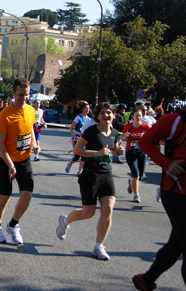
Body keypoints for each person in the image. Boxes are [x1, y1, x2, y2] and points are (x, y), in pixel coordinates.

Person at [132, 77, 186, 291]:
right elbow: (144, 141)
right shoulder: (175, 119)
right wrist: (166, 163)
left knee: (176, 245)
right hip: (176, 190)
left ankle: (145, 280)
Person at [56, 102, 124, 260]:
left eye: (109, 113)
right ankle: (65, 220)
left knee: (108, 210)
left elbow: (112, 151)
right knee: (88, 213)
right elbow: (77, 150)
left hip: (106, 174)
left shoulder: (114, 132)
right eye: (103, 113)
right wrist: (97, 152)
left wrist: (118, 151)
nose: (106, 116)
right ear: (98, 116)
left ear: (113, 115)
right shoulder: (91, 131)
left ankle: (98, 246)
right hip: (90, 175)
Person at [0, 78, 39, 245]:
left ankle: (13, 224)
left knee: (27, 194)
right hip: (6, 160)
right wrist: (10, 165)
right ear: (13, 93)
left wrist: (35, 143)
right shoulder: (5, 114)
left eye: (27, 95)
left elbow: (30, 127)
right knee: (5, 196)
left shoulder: (31, 110)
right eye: (20, 95)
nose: (24, 98)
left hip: (24, 160)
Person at [120, 108, 150, 203]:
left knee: (140, 176)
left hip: (142, 153)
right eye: (136, 116)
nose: (138, 118)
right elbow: (122, 137)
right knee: (135, 174)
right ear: (132, 117)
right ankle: (136, 195)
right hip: (130, 153)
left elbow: (151, 137)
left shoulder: (146, 126)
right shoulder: (128, 126)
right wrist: (125, 136)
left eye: (140, 116)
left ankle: (131, 182)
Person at [66, 101, 91, 175]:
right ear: (83, 109)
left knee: (84, 156)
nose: (87, 110)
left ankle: (80, 170)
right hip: (77, 138)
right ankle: (70, 164)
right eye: (86, 108)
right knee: (77, 156)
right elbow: (71, 128)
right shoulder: (78, 118)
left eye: (88, 108)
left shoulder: (89, 119)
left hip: (85, 139)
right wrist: (74, 136)